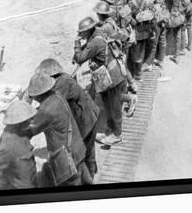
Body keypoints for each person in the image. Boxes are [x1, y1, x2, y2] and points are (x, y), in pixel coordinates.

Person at [35, 58, 99, 184]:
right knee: (88, 149)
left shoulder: (60, 84)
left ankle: (90, 177)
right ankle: (91, 175)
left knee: (85, 150)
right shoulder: (63, 78)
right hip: (89, 114)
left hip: (86, 119)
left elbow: (52, 105)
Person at [73, 17, 126, 147]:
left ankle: (117, 135)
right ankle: (110, 130)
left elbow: (80, 58)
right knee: (108, 104)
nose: (80, 34)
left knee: (114, 107)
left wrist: (77, 46)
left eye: (82, 32)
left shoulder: (95, 42)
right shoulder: (99, 33)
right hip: (108, 74)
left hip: (111, 77)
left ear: (89, 30)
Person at [26, 73, 86, 187]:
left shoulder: (47, 110)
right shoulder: (56, 95)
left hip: (68, 157)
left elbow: (31, 130)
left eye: (33, 95)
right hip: (77, 148)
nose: (32, 97)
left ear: (39, 95)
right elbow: (43, 111)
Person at [0, 100, 37, 190]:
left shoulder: (20, 131)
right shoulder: (9, 146)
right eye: (29, 119)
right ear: (20, 123)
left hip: (30, 180)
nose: (32, 121)